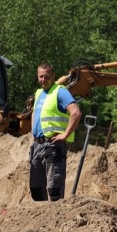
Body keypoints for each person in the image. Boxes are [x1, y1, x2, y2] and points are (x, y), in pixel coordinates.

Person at [29, 63, 82, 202]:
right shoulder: (39, 93)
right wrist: (32, 135)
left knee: (54, 189)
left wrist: (65, 134)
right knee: (36, 190)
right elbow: (35, 113)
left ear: (53, 76)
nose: (43, 79)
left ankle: (55, 221)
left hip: (53, 145)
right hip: (37, 146)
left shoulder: (60, 91)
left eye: (46, 76)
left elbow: (76, 112)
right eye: (40, 76)